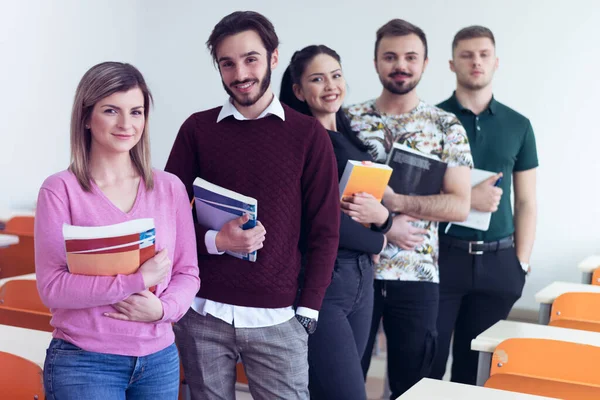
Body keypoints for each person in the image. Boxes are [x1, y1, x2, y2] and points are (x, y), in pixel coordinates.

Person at [165, 12, 340, 400]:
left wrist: (308, 313)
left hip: (279, 319)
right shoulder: (197, 129)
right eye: (227, 63)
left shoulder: (309, 135)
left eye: (250, 59)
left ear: (273, 58)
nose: (240, 73)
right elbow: (168, 218)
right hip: (203, 313)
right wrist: (215, 240)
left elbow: (325, 231)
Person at [34, 61, 201, 399]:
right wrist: (136, 281)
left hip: (159, 360)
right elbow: (52, 288)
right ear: (86, 116)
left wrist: (163, 310)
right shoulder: (59, 190)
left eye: (136, 112)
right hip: (84, 362)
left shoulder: (170, 188)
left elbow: (188, 272)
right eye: (112, 110)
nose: (127, 124)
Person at [345, 19, 473, 398]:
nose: (400, 64)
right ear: (375, 62)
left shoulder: (446, 126)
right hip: (354, 272)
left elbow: (460, 205)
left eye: (410, 57)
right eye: (390, 56)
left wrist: (396, 203)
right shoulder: (348, 119)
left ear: (425, 63)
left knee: (413, 385)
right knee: (346, 379)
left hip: (416, 274)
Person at [280, 45, 391, 400]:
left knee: (333, 390)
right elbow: (315, 221)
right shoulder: (302, 142)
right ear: (298, 91)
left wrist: (383, 220)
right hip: (326, 281)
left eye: (336, 75)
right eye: (317, 79)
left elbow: (369, 212)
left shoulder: (349, 136)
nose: (330, 85)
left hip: (360, 281)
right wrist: (380, 240)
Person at [430, 26, 538, 385]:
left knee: (475, 374)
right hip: (442, 257)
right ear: (451, 63)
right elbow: (414, 194)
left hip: (498, 262)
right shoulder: (431, 120)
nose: (476, 61)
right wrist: (465, 199)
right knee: (424, 362)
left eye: (483, 54)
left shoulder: (519, 125)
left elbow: (525, 200)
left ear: (495, 62)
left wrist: (520, 263)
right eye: (466, 55)